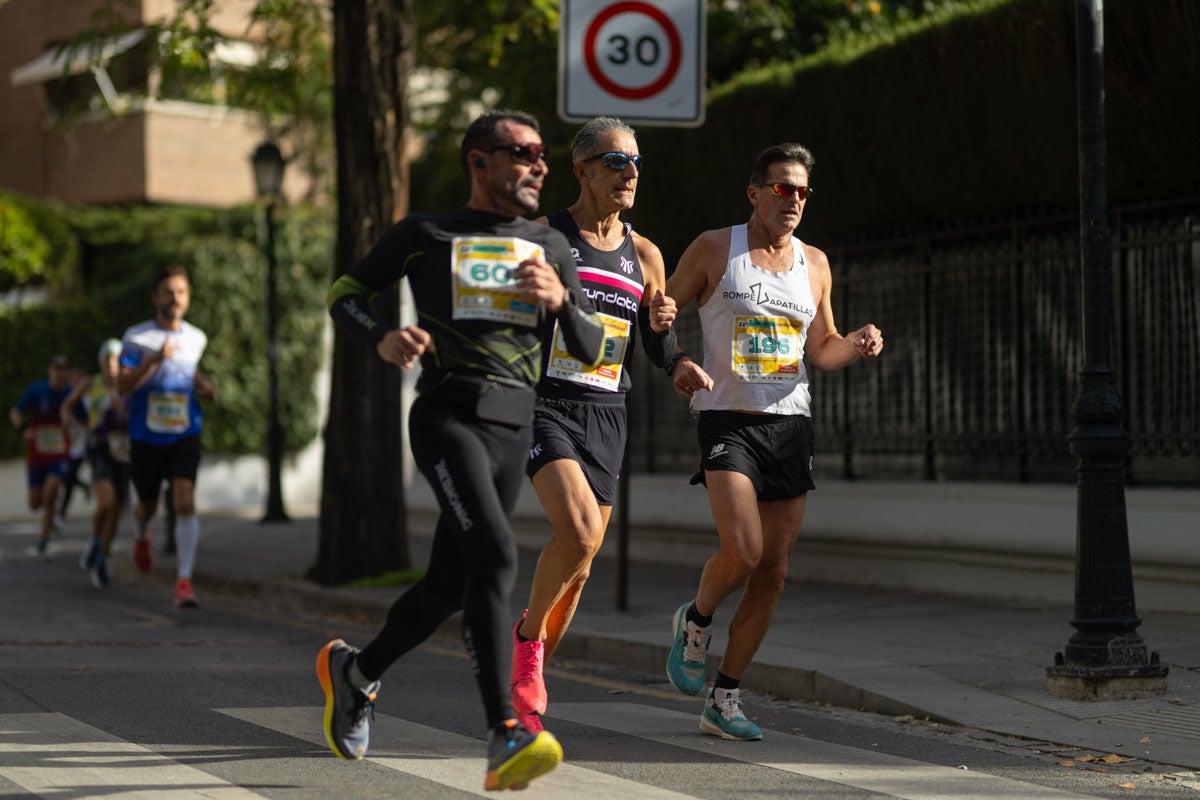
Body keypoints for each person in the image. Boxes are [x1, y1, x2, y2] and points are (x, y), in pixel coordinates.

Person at [317, 109, 604, 791]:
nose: (537, 165)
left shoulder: (549, 245)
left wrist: (563, 302)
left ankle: (355, 674)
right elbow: (345, 293)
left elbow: (592, 349)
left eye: (542, 155)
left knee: (449, 584)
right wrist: (382, 337)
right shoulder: (426, 233)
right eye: (522, 153)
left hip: (514, 425)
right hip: (447, 414)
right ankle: (505, 731)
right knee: (497, 554)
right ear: (479, 161)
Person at [662, 143, 883, 741]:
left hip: (790, 425)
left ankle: (724, 696)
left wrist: (855, 342)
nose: (793, 201)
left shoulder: (815, 263)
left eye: (803, 191)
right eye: (782, 188)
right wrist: (678, 360)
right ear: (754, 192)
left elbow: (822, 346)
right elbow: (660, 310)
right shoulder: (715, 247)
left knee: (775, 571)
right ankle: (696, 621)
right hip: (727, 420)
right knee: (743, 551)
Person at [509, 117, 677, 733]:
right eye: (616, 162)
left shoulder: (647, 253)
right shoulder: (544, 236)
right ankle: (528, 645)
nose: (630, 173)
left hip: (608, 411)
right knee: (578, 535)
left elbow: (657, 347)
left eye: (636, 162)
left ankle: (533, 673)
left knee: (579, 568)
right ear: (582, 171)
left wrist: (671, 345)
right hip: (544, 402)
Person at [117, 265, 216, 608]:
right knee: (146, 504)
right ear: (156, 297)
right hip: (146, 434)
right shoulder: (136, 338)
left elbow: (189, 371)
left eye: (181, 292)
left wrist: (205, 387)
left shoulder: (197, 337)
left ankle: (184, 581)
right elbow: (122, 384)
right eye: (169, 292)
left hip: (184, 430)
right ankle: (142, 534)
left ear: (188, 298)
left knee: (185, 499)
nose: (175, 298)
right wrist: (153, 361)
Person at [62, 339, 131, 588]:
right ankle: (94, 540)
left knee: (118, 507)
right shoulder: (91, 384)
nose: (113, 365)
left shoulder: (129, 386)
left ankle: (101, 556)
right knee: (106, 501)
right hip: (99, 446)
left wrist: (123, 413)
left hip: (124, 450)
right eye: (109, 359)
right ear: (101, 362)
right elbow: (66, 407)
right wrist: (76, 424)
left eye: (118, 360)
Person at [9, 354, 83, 558]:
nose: (59, 374)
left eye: (63, 369)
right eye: (56, 369)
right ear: (50, 370)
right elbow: (16, 412)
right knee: (35, 503)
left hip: (59, 453)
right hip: (38, 453)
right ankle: (48, 520)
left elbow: (85, 420)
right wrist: (23, 428)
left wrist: (74, 424)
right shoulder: (37, 390)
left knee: (51, 493)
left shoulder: (71, 395)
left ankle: (43, 539)